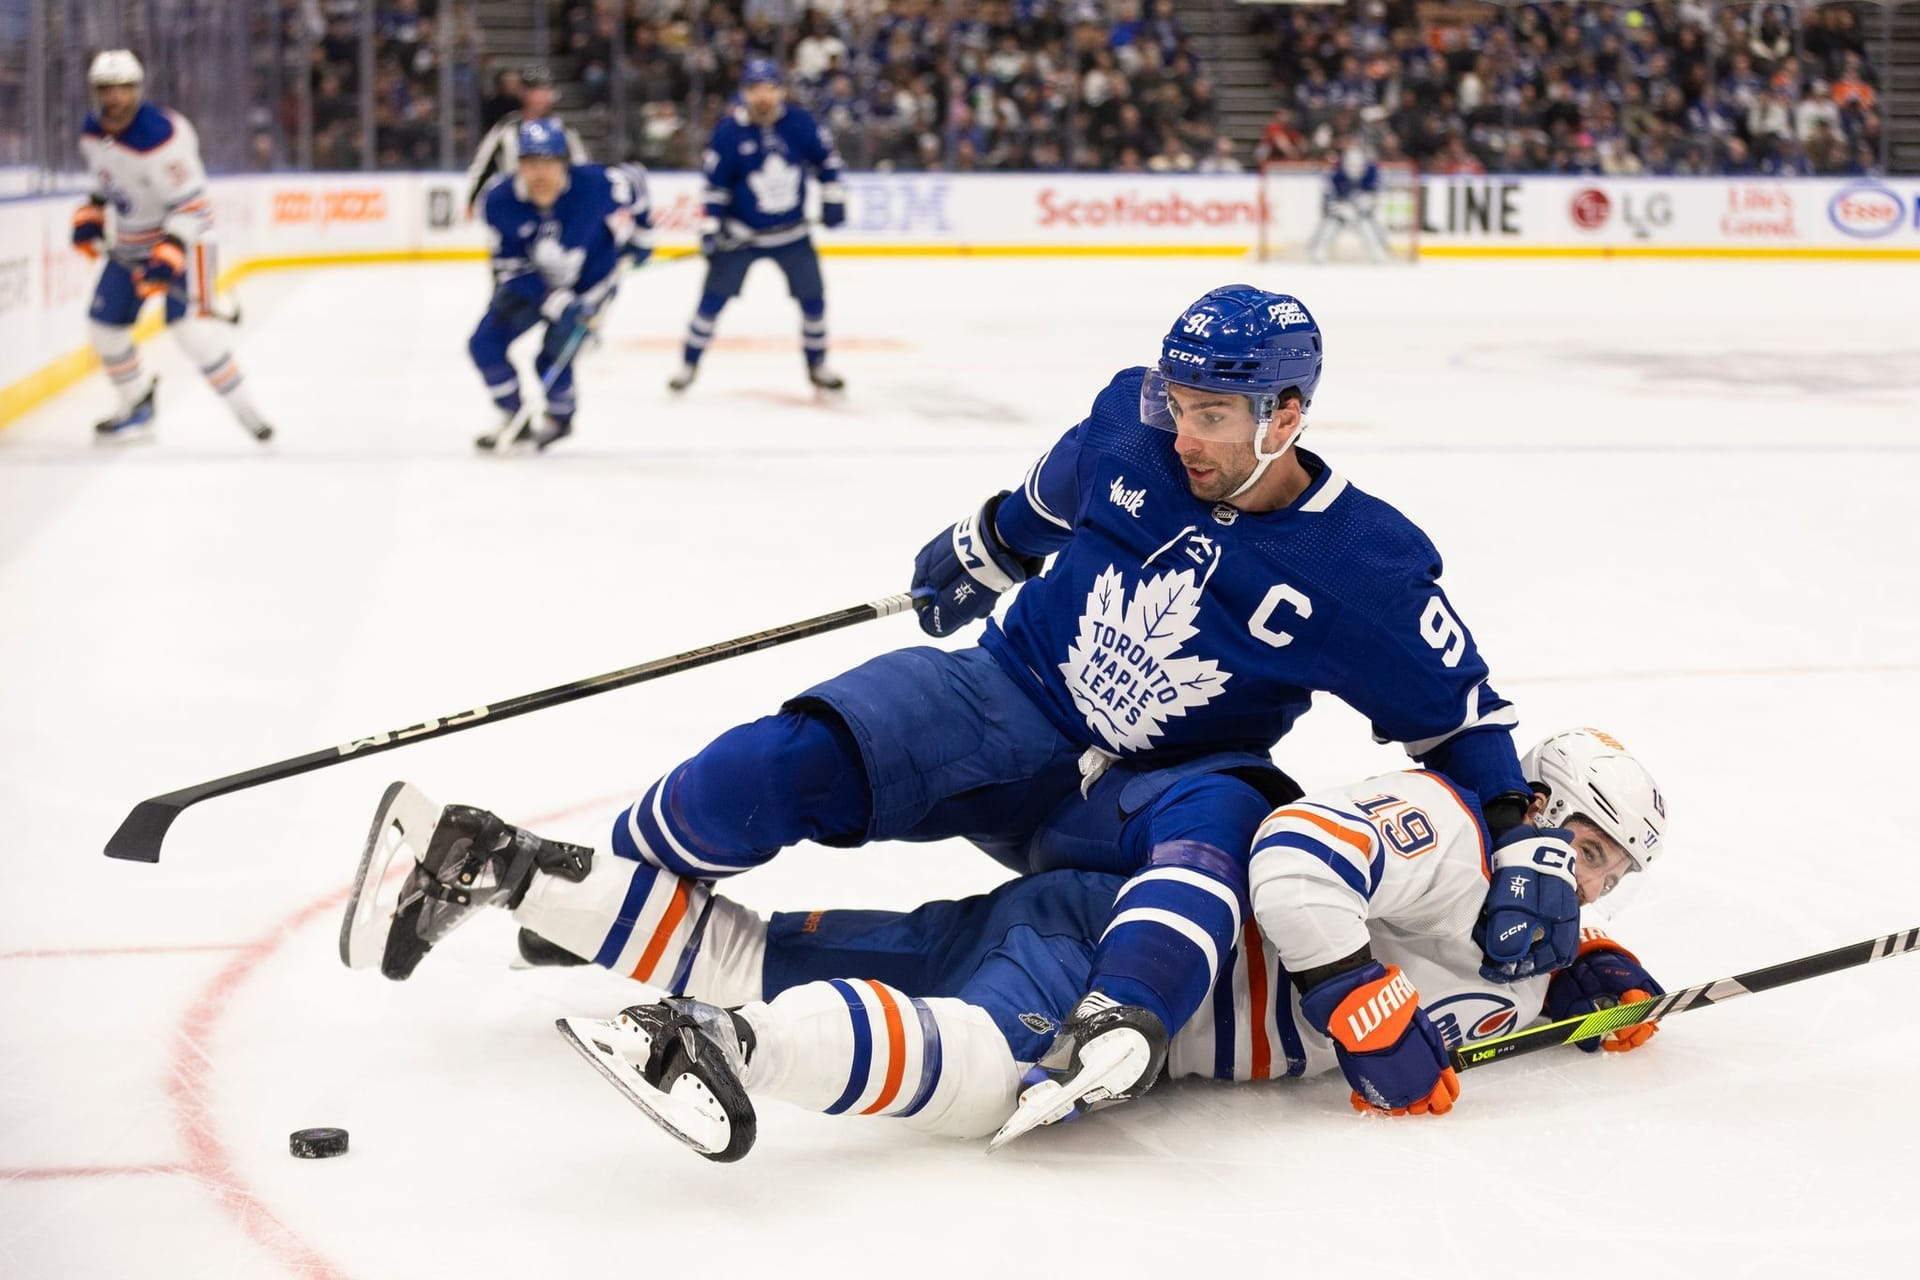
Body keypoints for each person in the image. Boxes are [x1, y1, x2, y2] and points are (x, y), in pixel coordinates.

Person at [350, 283, 1580, 1123]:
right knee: (774, 765)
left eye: (1216, 416)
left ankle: (1123, 1011)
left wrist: (1526, 836)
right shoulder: (1134, 423)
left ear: (1288, 413)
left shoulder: (1366, 567)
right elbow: (1041, 500)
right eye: (1181, 404)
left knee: (1233, 819)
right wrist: (978, 546)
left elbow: (1458, 725)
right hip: (1007, 694)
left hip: (1145, 798)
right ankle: (599, 889)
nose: (1187, 433)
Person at [346, 730, 1666, 1161]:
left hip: (1088, 925)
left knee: (770, 950)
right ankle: (727, 1053)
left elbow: (1488, 985)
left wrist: (1587, 987)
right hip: (1136, 959)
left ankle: (497, 859)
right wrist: (1363, 1005)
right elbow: (1294, 865)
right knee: (992, 1070)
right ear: (1551, 812)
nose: (1600, 886)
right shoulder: (1447, 818)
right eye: (1599, 853)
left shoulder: (1526, 925)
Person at [74, 50, 272, 442]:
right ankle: (137, 406)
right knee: (104, 328)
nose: (115, 98)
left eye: (123, 88)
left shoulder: (161, 137)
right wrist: (92, 212)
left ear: (138, 89)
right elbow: (109, 176)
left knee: (192, 333)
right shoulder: (92, 131)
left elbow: (194, 206)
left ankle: (248, 411)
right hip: (132, 244)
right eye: (106, 89)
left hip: (188, 240)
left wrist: (168, 254)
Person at [667, 58, 847, 396]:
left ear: (781, 91)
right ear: (744, 93)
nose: (762, 96)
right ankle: (688, 364)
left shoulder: (800, 123)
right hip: (742, 237)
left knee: (814, 302)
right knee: (711, 301)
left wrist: (833, 197)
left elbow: (828, 162)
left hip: (792, 235)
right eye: (755, 90)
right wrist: (710, 227)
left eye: (769, 88)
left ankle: (818, 365)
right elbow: (715, 185)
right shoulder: (729, 132)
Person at [468, 121, 651, 452]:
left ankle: (560, 418)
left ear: (564, 163)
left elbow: (636, 181)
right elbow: (510, 268)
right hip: (531, 287)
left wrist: (643, 238)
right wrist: (555, 300)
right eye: (530, 163)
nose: (540, 173)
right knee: (485, 344)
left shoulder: (594, 184)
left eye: (549, 163)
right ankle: (514, 415)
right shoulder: (498, 200)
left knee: (551, 359)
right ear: (518, 165)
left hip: (591, 286)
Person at [463, 65, 588, 215]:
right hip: (515, 206)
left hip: (556, 207)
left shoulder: (564, 130)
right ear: (523, 93)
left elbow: (582, 167)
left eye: (544, 90)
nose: (539, 97)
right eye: (534, 90)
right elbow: (482, 166)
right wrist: (470, 200)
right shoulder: (506, 128)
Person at [1305, 144, 1393, 264]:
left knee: (1368, 227)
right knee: (1329, 226)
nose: (1355, 169)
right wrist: (1340, 208)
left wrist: (1365, 204)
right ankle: (1318, 252)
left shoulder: (1371, 174)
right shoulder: (1335, 175)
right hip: (1340, 214)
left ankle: (1378, 253)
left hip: (1361, 214)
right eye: (1351, 166)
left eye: (1358, 166)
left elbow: (1377, 196)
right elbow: (1327, 200)